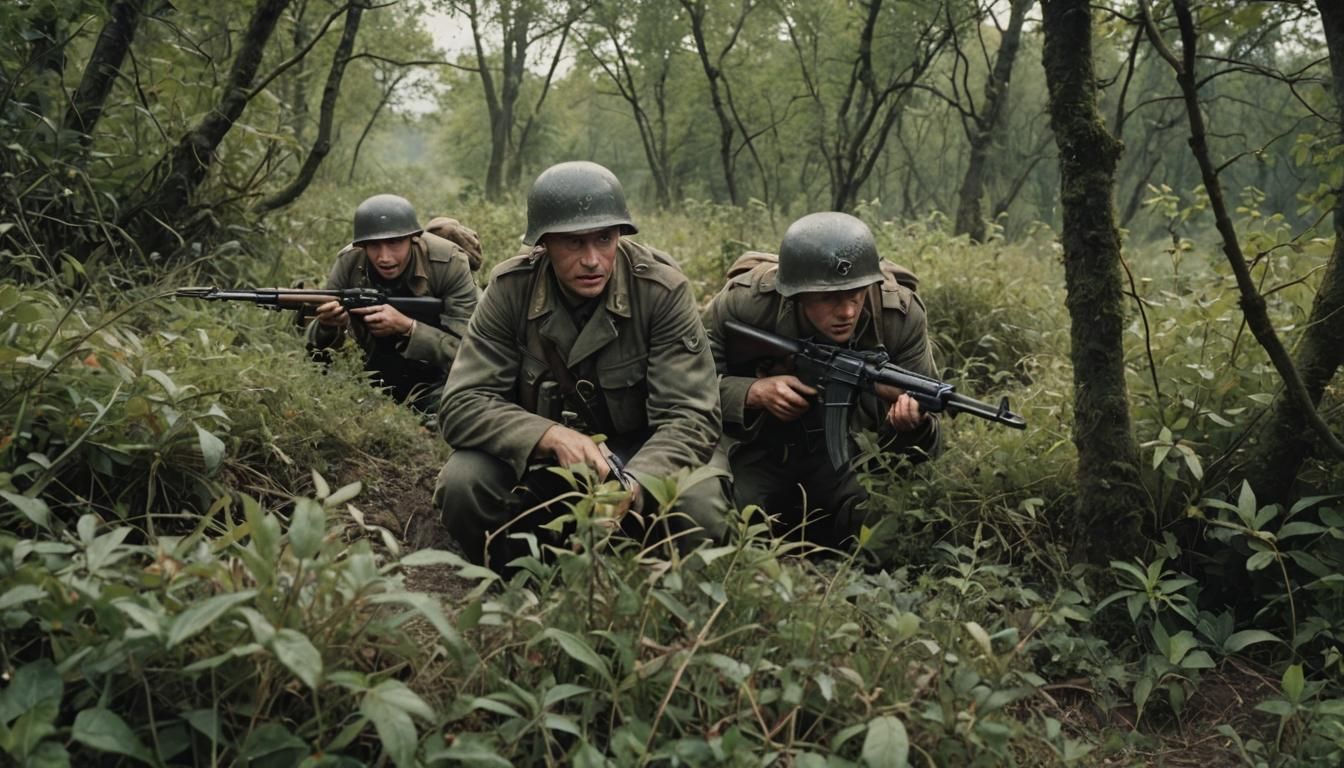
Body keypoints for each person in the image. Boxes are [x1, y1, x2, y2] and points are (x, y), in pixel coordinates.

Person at [435, 161, 728, 569]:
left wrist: (634, 484)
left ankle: (652, 594)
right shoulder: (510, 291)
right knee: (463, 483)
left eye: (605, 239)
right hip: (544, 454)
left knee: (701, 506)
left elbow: (691, 416)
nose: (593, 259)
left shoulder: (661, 291)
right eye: (574, 243)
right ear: (544, 243)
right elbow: (462, 403)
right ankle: (516, 583)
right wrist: (549, 435)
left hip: (645, 449)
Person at [705, 211, 940, 551]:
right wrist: (752, 392)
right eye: (828, 298)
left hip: (848, 457)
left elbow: (924, 445)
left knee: (890, 534)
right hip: (760, 451)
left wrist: (911, 425)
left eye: (856, 294)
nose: (846, 312)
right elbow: (689, 382)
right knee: (720, 521)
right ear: (796, 294)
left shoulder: (898, 317)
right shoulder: (746, 304)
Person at [306, 194, 480, 412]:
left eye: (394, 243)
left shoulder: (449, 263)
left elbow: (471, 354)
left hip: (437, 375)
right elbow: (317, 351)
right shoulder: (349, 262)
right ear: (362, 246)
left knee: (465, 404)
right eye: (374, 246)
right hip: (372, 371)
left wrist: (408, 328)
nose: (384, 257)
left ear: (413, 239)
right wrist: (328, 326)